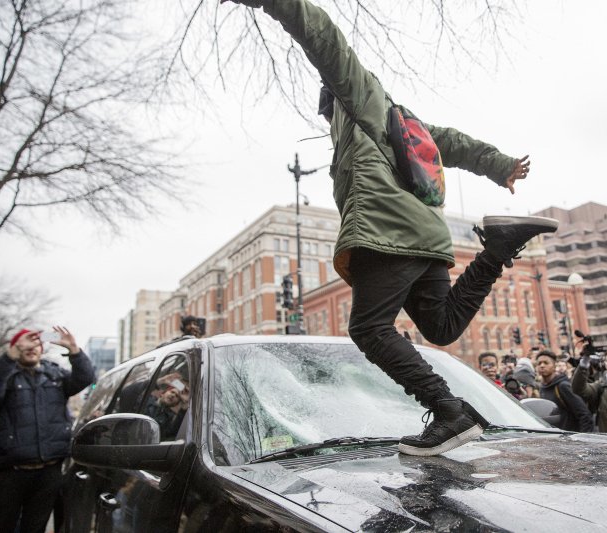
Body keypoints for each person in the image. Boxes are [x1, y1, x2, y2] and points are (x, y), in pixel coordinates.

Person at [222, 0, 559, 456]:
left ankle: (448, 411)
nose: (328, 123)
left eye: (327, 114)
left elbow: (324, 39)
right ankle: (498, 247)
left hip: (390, 235)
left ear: (332, 101)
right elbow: (452, 144)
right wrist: (499, 166)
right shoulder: (401, 120)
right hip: (426, 238)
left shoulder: (357, 98)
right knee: (440, 326)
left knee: (369, 328)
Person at [0, 327, 95, 533]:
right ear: (16, 349)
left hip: (48, 472)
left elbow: (86, 378)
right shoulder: (5, 375)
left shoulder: (56, 375)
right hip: (10, 473)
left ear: (42, 349)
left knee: (35, 527)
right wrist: (9, 357)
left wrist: (74, 351)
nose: (32, 348)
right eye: (25, 345)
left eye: (36, 344)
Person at [535, 350, 593, 432]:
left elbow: (584, 415)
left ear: (554, 366)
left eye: (546, 363)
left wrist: (583, 438)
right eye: (539, 363)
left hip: (570, 438)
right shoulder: (542, 388)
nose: (542, 366)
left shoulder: (563, 386)